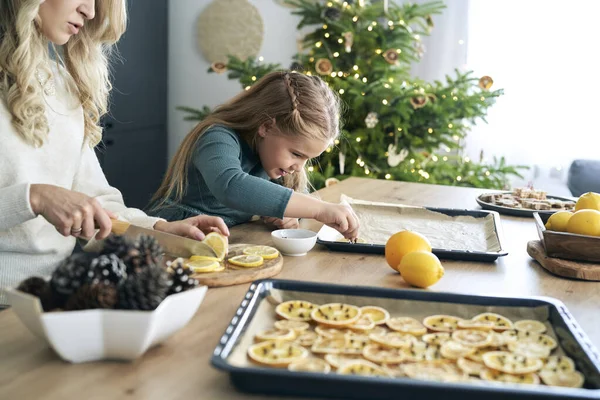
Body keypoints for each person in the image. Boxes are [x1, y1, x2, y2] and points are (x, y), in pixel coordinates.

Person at [0, 0, 228, 305]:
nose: (91, 12)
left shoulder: (62, 82)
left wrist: (160, 230)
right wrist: (34, 198)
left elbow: (96, 202)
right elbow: (40, 198)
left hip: (52, 294)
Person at [149, 71, 359, 239]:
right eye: (296, 153)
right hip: (172, 236)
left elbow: (294, 197)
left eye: (307, 159)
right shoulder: (216, 137)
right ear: (267, 127)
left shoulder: (273, 158)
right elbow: (230, 186)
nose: (299, 167)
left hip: (230, 239)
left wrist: (288, 217)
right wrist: (319, 209)